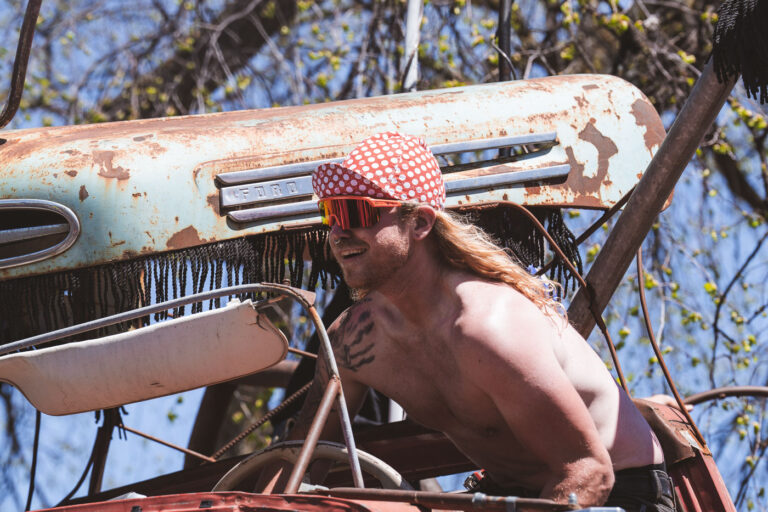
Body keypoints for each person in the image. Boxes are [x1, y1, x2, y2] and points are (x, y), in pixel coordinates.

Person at [275, 132, 676, 510]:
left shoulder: (489, 329)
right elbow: (298, 464)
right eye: (329, 212)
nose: (337, 231)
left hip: (620, 491)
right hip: (512, 493)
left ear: (419, 223)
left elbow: (589, 474)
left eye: (354, 211)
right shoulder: (352, 342)